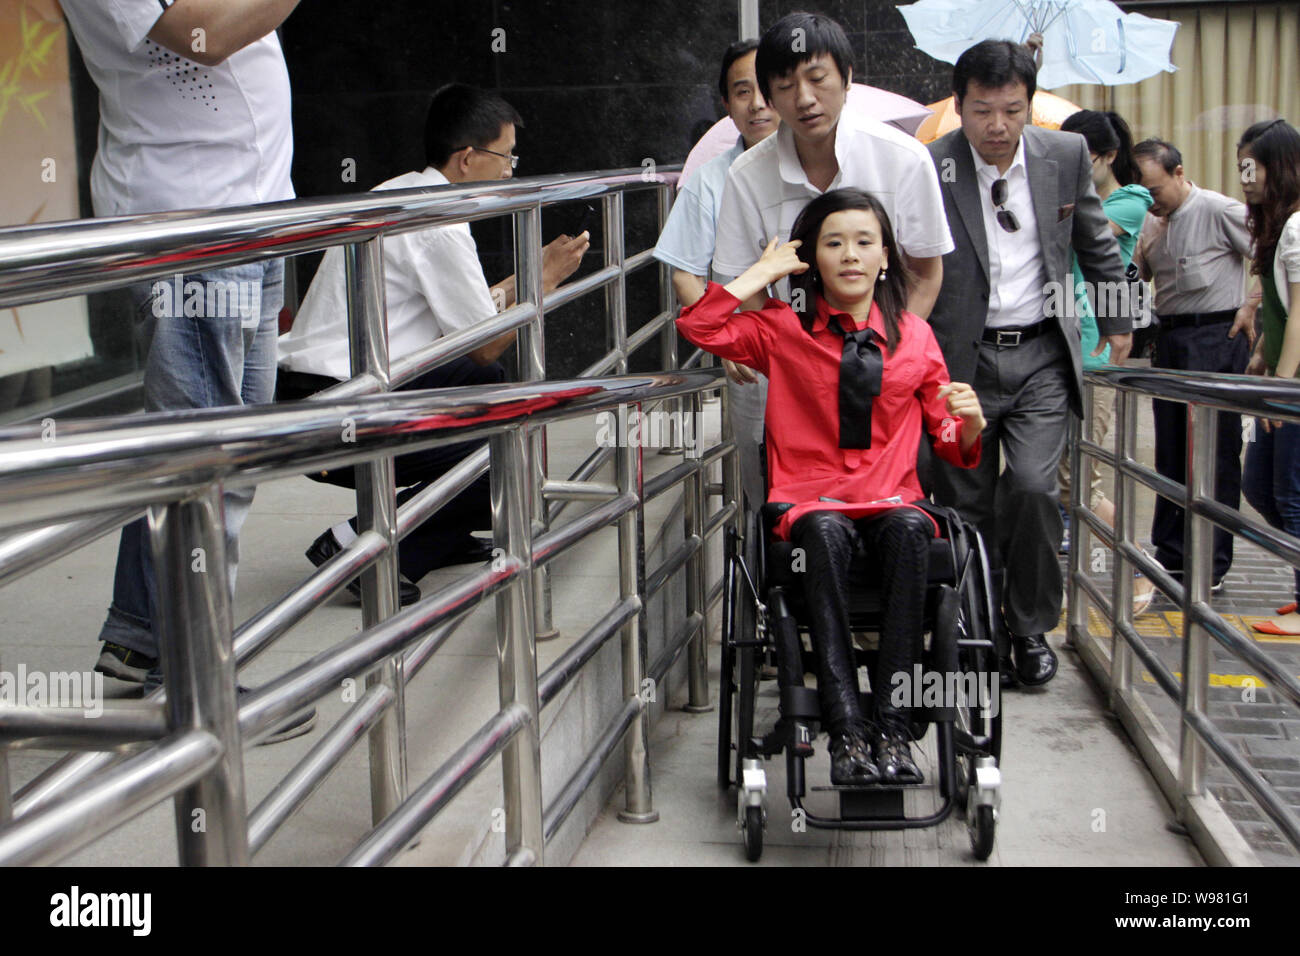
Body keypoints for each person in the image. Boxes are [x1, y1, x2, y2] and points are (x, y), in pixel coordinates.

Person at [63, 0, 313, 739]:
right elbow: (204, 36)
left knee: (199, 440)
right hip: (195, 225)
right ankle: (193, 684)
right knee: (210, 458)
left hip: (243, 214)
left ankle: (142, 639)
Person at [677, 188, 984, 785]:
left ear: (886, 257)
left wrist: (968, 422)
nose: (850, 255)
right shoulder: (780, 330)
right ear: (813, 259)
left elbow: (948, 439)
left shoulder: (915, 336)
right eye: (833, 243)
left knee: (909, 529)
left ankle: (894, 728)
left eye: (864, 242)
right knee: (820, 531)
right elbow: (699, 326)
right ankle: (846, 728)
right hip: (810, 501)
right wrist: (760, 273)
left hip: (893, 497)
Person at [278, 84, 588, 601]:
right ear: (467, 158)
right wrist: (545, 282)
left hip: (327, 390)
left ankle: (439, 535)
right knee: (507, 436)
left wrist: (526, 276)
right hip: (342, 410)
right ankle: (359, 550)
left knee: (491, 390)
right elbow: (485, 343)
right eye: (506, 157)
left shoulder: (407, 192)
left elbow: (466, 318)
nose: (511, 171)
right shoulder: (438, 221)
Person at [925, 40, 1133, 688]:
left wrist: (1123, 320)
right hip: (962, 361)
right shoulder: (932, 164)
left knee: (1036, 490)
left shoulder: (1064, 155)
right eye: (982, 110)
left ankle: (1031, 627)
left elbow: (1095, 241)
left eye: (1012, 110)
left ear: (1029, 106)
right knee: (966, 502)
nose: (996, 126)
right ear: (959, 106)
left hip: (1043, 351)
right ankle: (977, 625)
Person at [653, 39, 779, 510]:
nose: (758, 103)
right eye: (741, 91)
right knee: (762, 488)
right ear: (726, 105)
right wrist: (725, 336)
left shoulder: (826, 165)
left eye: (766, 87)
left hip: (827, 351)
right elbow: (685, 275)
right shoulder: (710, 180)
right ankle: (772, 579)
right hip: (753, 360)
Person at [1132, 138, 1256, 592]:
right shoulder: (1148, 220)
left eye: (1156, 189)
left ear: (1179, 173)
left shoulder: (1220, 209)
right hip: (1170, 338)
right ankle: (1172, 553)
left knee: (1214, 453)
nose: (1152, 200)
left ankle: (1211, 562)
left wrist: (1252, 305)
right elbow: (1134, 272)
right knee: (1171, 452)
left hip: (1217, 336)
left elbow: (1270, 255)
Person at [1055, 109, 1156, 613]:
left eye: (1082, 156)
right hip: (1061, 341)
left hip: (1095, 350)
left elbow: (1082, 225)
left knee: (1081, 478)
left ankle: (1139, 571)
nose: (1072, 164)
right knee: (1059, 477)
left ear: (1108, 156)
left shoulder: (1131, 200)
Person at [1237, 119, 1300, 635]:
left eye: (1252, 167)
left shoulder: (1298, 225)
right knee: (1259, 485)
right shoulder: (1278, 227)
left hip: (1292, 388)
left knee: (1289, 494)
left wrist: (1280, 382)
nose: (1244, 178)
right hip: (1279, 380)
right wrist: (1260, 353)